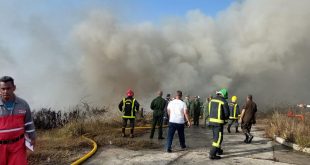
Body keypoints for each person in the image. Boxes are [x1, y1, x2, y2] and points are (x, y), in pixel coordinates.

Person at [0, 76, 36, 165]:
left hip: (18, 146)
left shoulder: (23, 104)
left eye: (8, 88)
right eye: (3, 89)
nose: (5, 91)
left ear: (14, 88)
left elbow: (29, 123)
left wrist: (32, 137)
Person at [208, 88, 230, 160]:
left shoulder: (212, 100)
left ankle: (218, 150)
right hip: (218, 123)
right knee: (218, 138)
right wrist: (225, 120)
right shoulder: (224, 101)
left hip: (212, 122)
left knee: (215, 137)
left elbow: (209, 110)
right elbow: (227, 114)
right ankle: (212, 154)